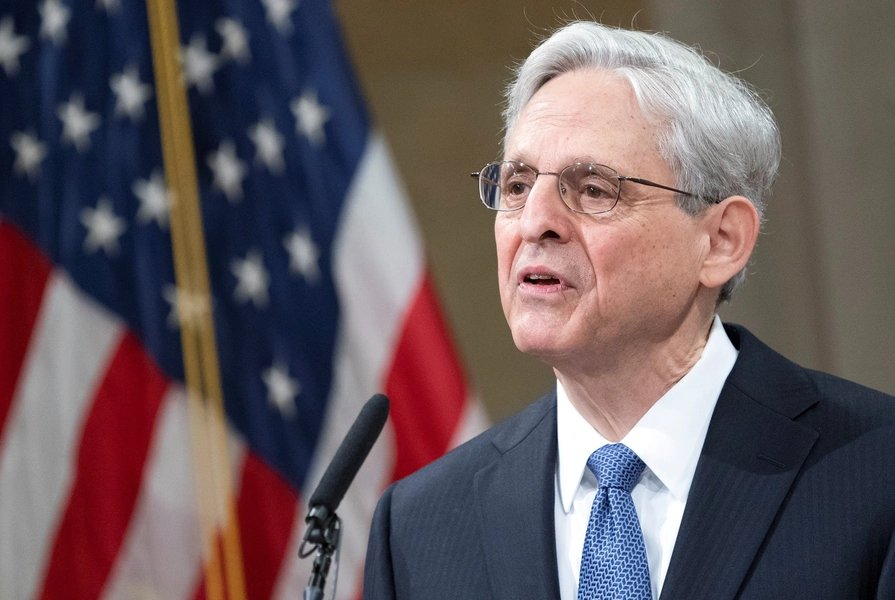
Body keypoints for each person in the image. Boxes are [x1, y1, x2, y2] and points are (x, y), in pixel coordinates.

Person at [364, 21, 895, 600]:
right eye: (517, 185)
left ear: (720, 240)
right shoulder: (419, 525)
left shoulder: (876, 473)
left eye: (593, 189)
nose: (534, 222)